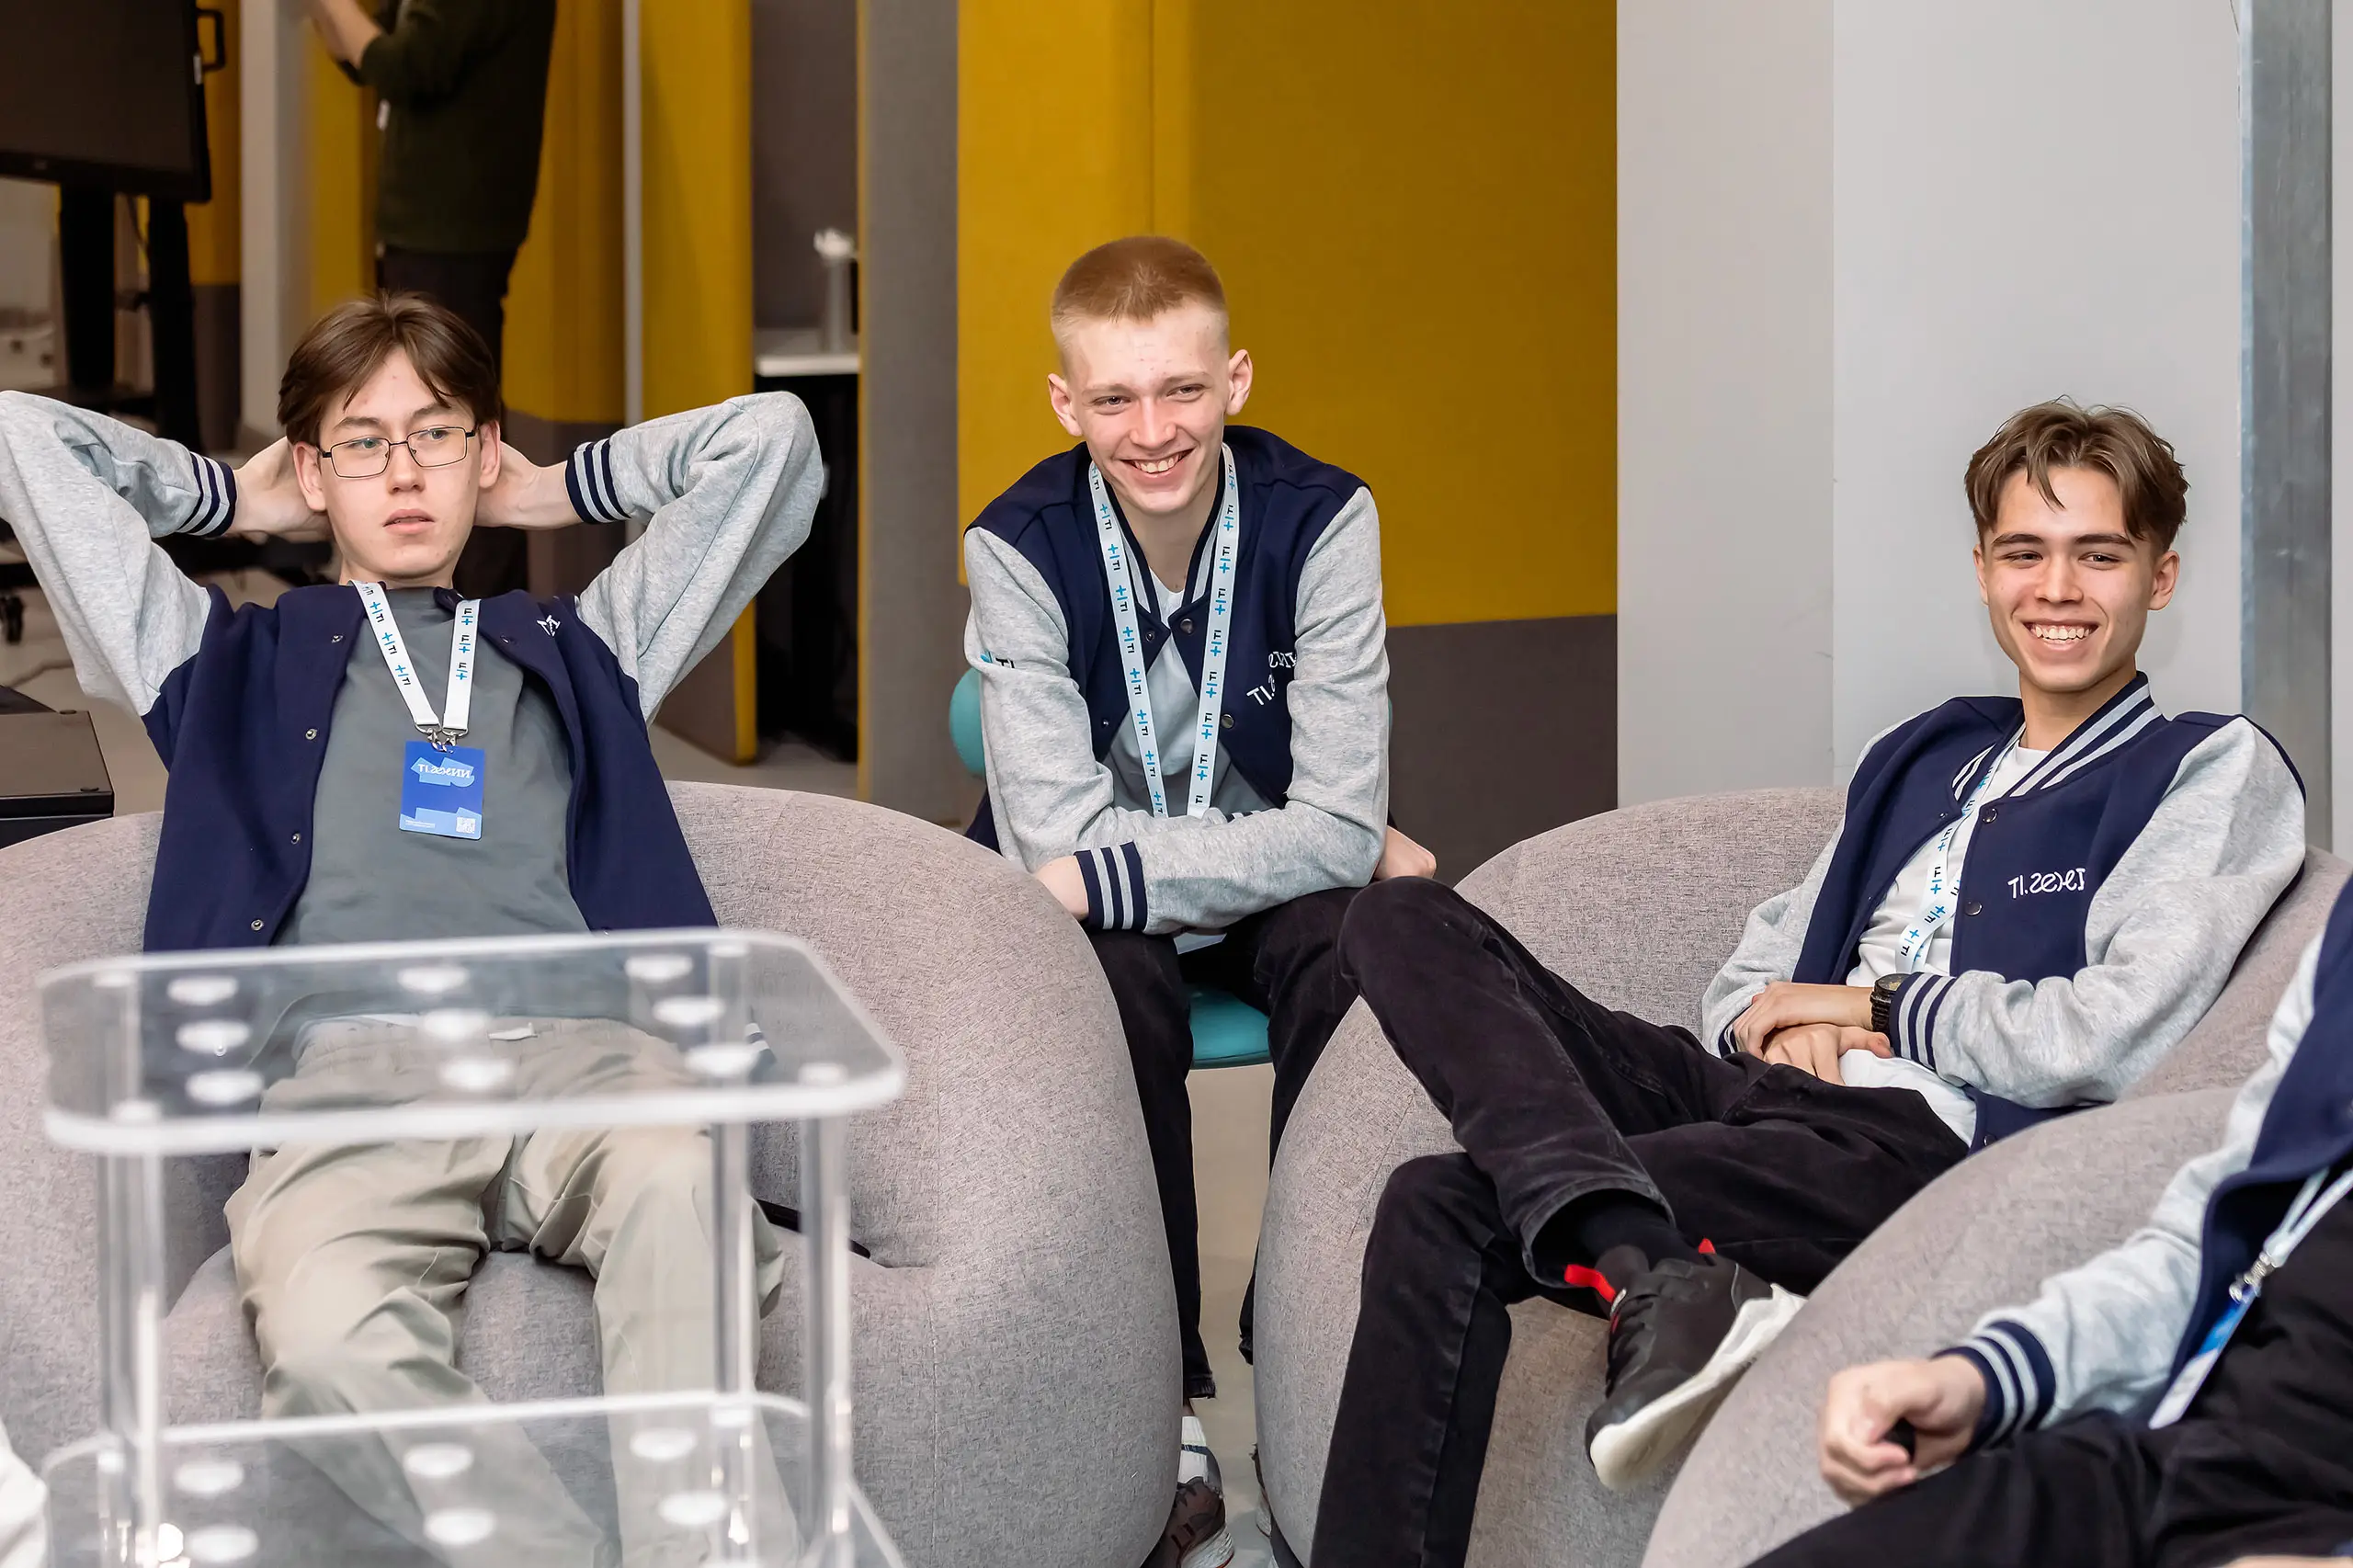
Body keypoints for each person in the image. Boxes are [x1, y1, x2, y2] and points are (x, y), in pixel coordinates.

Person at [1305, 400, 2309, 1568]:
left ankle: (1642, 1261)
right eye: (2023, 552)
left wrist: (1874, 1009)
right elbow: (1759, 962)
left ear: (2160, 575)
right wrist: (1766, 1026)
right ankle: (1647, 1259)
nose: (2056, 588)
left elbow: (2112, 1032)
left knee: (1441, 1200)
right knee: (1399, 915)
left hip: (1914, 1150)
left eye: (2098, 555)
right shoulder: (1928, 753)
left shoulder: (2203, 767)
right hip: (1761, 1097)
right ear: (1981, 570)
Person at [0, 292, 821, 1562]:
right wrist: (229, 496)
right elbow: (23, 436)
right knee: (325, 1335)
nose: (402, 472)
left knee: (689, 1202)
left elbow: (771, 444)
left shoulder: (583, 646)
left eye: (436, 434)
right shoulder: (225, 662)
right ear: (314, 470)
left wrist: (550, 490)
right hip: (353, 1073)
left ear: (482, 450)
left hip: (587, 1051)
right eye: (363, 441)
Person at [961, 235, 1430, 1567]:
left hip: (1226, 873)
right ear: (1065, 404)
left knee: (1360, 945)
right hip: (1136, 892)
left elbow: (1329, 828)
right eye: (1114, 398)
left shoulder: (1325, 519)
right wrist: (1331, 841)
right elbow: (1057, 840)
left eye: (1182, 389)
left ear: (1236, 380)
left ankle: (1314, 1337)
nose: (1153, 430)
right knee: (1107, 981)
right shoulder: (1017, 544)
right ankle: (1158, 1394)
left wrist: (1328, 845)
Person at [1756, 873, 2353, 1568]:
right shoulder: (2341, 954)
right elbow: (2208, 1240)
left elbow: (2106, 1035)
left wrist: (1886, 1005)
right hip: (2168, 1465)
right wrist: (1985, 1377)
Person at [304, 0, 559, 598]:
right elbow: (365, 53)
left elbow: (407, 65)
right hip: (427, 225)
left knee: (453, 419)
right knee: (433, 412)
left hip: (455, 228)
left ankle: (485, 609)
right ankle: (428, 596)